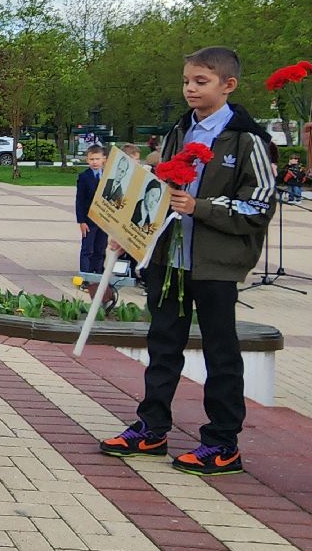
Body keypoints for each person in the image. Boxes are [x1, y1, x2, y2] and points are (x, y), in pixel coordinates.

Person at [100, 46, 275, 475]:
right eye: (186, 81)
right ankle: (152, 426)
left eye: (201, 81)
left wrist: (202, 207)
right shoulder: (180, 130)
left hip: (215, 265)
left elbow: (260, 206)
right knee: (163, 344)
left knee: (220, 352)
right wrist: (131, 230)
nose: (190, 89)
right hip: (169, 258)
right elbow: (157, 190)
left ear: (228, 85)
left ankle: (222, 441)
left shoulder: (248, 139)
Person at [74, 143, 111, 307]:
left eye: (97, 159)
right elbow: (80, 201)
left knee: (100, 249)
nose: (94, 162)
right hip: (89, 220)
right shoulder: (84, 177)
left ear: (104, 159)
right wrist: (81, 221)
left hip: (104, 220)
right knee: (87, 249)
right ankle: (86, 277)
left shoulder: (109, 176)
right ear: (87, 159)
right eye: (91, 159)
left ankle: (98, 274)